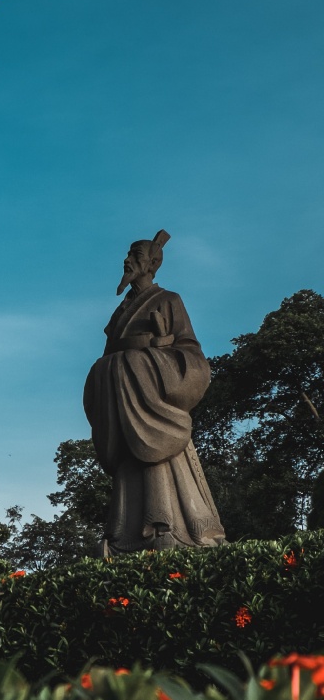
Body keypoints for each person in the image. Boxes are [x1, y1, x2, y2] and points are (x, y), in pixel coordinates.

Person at [84, 232, 226, 553]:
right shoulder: (120, 313)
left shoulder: (168, 300)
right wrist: (111, 371)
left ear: (152, 263)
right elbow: (109, 355)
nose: (127, 260)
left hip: (153, 400)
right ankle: (123, 532)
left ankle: (165, 524)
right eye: (128, 255)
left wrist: (159, 351)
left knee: (157, 463)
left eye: (135, 255)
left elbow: (190, 352)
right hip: (123, 395)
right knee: (129, 468)